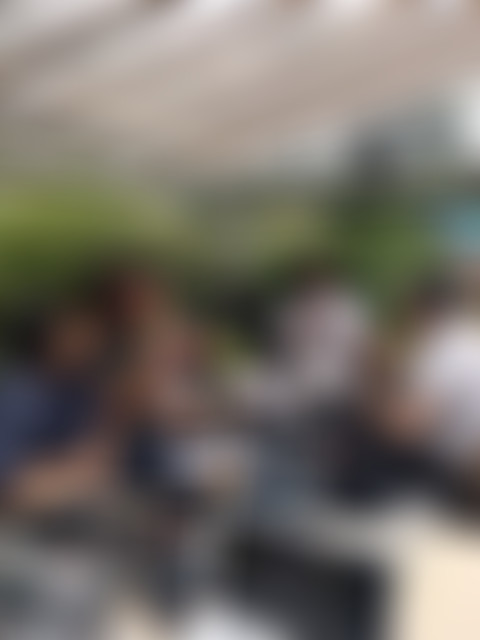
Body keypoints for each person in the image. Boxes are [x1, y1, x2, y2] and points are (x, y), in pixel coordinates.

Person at [0, 298, 112, 513]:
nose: (92, 345)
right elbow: (12, 484)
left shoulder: (86, 392)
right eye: (78, 337)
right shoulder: (20, 393)